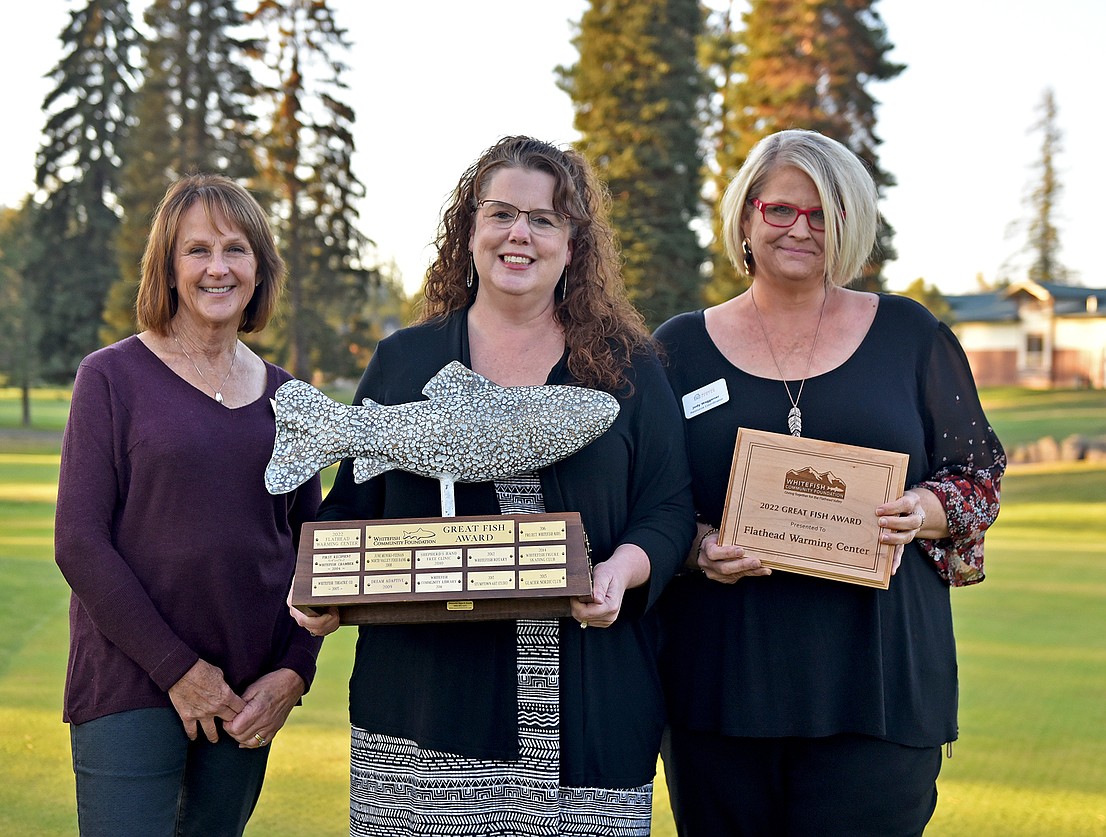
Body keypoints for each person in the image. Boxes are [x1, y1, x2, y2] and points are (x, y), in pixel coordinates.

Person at [292, 135, 695, 836]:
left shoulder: (628, 368)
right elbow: (354, 509)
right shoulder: (403, 360)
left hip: (591, 715)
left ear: (574, 244)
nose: (520, 234)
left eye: (544, 219)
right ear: (470, 230)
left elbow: (667, 507)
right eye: (502, 213)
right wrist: (323, 595)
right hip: (425, 712)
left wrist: (621, 572)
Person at [654, 128, 1006, 836]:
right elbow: (649, 501)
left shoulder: (911, 334)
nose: (799, 229)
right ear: (748, 215)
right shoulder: (678, 348)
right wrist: (697, 546)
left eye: (824, 215)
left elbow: (978, 477)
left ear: (851, 225)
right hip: (721, 685)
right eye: (782, 209)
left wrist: (924, 508)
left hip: (878, 684)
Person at [54, 174, 323, 836]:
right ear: (169, 268)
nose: (217, 267)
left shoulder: (291, 399)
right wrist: (178, 670)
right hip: (130, 683)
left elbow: (317, 551)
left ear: (258, 268)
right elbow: (79, 542)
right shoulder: (111, 377)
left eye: (235, 249)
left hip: (244, 697)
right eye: (197, 250)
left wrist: (294, 669)